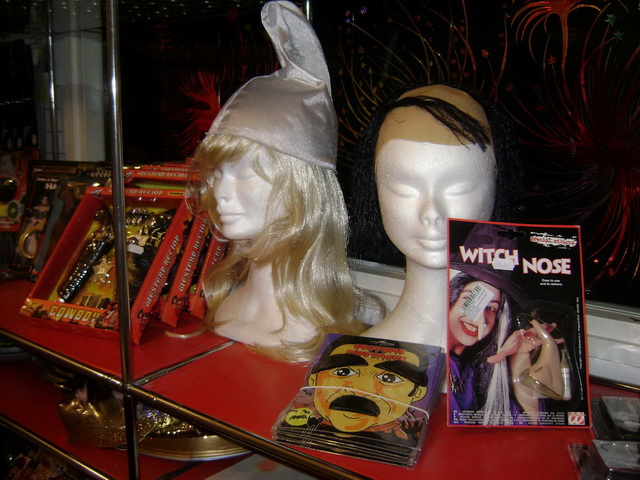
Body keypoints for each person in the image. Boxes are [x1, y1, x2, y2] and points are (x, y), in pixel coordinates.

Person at [189, 1, 364, 362]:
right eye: (217, 173)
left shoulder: (311, 329)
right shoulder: (226, 301)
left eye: (246, 173)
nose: (221, 193)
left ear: (303, 187)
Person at [350, 84, 523, 349]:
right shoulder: (358, 360)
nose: (431, 213)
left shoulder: (513, 354)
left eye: (459, 188)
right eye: (404, 188)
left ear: (497, 185)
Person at [307, 335, 430, 434]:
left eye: (389, 378)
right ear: (313, 379)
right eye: (343, 372)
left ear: (418, 392)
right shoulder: (303, 419)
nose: (361, 389)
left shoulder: (409, 433)